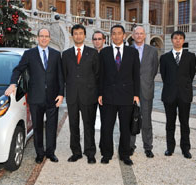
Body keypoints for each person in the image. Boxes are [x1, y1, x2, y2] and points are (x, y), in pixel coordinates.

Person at [5, 28, 64, 164]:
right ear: (37, 38)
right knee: (37, 127)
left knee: (51, 126)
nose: (44, 38)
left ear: (50, 38)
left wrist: (61, 94)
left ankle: (50, 152)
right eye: (41, 36)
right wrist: (13, 84)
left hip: (52, 98)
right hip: (35, 97)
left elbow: (60, 76)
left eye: (46, 36)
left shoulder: (56, 55)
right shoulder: (29, 54)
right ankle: (39, 153)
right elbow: (18, 70)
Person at [98, 25, 140, 166]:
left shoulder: (132, 53)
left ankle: (125, 154)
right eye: (114, 33)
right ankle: (106, 154)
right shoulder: (104, 52)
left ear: (124, 35)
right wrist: (100, 93)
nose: (116, 36)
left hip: (127, 96)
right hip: (108, 96)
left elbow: (136, 75)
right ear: (111, 35)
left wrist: (136, 94)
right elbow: (100, 76)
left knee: (125, 128)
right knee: (106, 127)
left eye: (119, 33)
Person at [62, 24, 100, 164]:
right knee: (73, 125)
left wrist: (96, 94)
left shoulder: (93, 53)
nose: (78, 36)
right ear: (72, 36)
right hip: (72, 96)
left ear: (84, 35)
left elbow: (97, 75)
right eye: (75, 33)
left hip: (88, 96)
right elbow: (64, 76)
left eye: (80, 33)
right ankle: (76, 152)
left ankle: (90, 152)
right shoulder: (66, 55)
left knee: (88, 125)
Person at [160, 31, 196, 159]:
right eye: (175, 38)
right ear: (171, 40)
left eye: (180, 38)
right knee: (170, 123)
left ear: (184, 40)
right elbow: (164, 76)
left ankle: (185, 148)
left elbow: (191, 74)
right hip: (169, 95)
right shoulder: (164, 58)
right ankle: (170, 148)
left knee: (184, 123)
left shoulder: (190, 56)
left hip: (184, 95)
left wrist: (183, 86)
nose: (178, 40)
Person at [130, 26, 159, 158]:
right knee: (130, 119)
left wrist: (146, 82)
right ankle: (130, 146)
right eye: (137, 33)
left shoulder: (152, 51)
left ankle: (148, 147)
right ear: (133, 35)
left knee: (146, 120)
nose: (139, 36)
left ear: (145, 35)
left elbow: (154, 70)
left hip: (146, 89)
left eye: (141, 33)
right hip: (130, 91)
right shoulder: (127, 50)